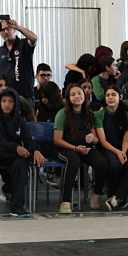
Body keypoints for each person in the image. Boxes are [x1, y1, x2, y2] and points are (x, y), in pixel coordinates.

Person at [0, 87, 46, 216]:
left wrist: (36, 150)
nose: (7, 104)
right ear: (0, 102)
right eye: (4, 101)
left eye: (10, 101)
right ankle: (25, 156)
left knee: (21, 162)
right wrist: (16, 149)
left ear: (16, 104)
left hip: (12, 157)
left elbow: (28, 140)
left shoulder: (20, 121)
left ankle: (17, 207)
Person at [52, 84, 108, 213]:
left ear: (85, 96)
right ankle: (66, 201)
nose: (77, 96)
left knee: (102, 163)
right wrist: (75, 148)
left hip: (85, 148)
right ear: (67, 98)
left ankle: (96, 193)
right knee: (73, 160)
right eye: (73, 94)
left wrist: (92, 138)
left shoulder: (90, 114)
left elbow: (96, 139)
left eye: (79, 93)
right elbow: (57, 140)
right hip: (66, 148)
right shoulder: (63, 114)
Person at [94, 85, 128, 211]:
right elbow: (102, 141)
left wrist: (123, 152)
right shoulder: (99, 114)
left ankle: (117, 198)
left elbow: (126, 138)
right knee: (114, 165)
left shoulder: (126, 114)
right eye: (107, 95)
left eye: (113, 95)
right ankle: (112, 195)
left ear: (120, 97)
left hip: (123, 147)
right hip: (107, 148)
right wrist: (117, 153)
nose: (110, 98)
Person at [0, 18, 39, 105]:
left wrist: (18, 27)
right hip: (7, 96)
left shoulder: (24, 44)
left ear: (14, 29)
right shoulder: (0, 51)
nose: (6, 32)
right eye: (2, 30)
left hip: (25, 95)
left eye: (8, 28)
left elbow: (34, 38)